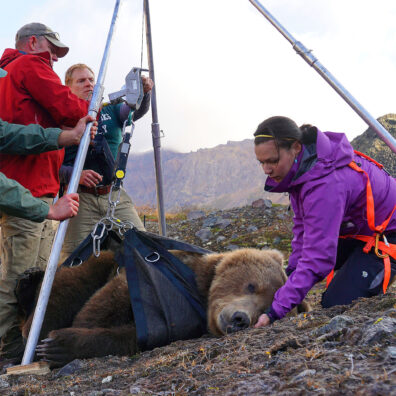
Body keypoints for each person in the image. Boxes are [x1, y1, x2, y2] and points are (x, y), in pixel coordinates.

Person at [253, 116, 396, 328]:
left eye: (272, 161)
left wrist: (274, 312)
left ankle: (375, 271)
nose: (266, 169)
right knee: (300, 272)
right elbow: (303, 231)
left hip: (387, 236)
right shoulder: (301, 171)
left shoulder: (325, 184)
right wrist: (290, 275)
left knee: (335, 305)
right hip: (359, 230)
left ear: (295, 147)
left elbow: (318, 258)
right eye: (262, 162)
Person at [0, 23, 89, 359]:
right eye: (52, 49)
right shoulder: (29, 65)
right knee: (22, 281)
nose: (53, 59)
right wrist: (93, 111)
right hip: (31, 190)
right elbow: (71, 108)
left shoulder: (5, 75)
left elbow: (10, 132)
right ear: (32, 42)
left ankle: (20, 348)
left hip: (19, 189)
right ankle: (10, 352)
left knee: (22, 277)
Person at [59, 63, 153, 261]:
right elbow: (50, 166)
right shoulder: (59, 117)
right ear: (68, 86)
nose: (88, 84)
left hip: (113, 194)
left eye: (91, 80)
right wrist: (76, 175)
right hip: (78, 199)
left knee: (143, 249)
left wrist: (144, 93)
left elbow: (134, 109)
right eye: (81, 80)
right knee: (75, 261)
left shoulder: (111, 111)